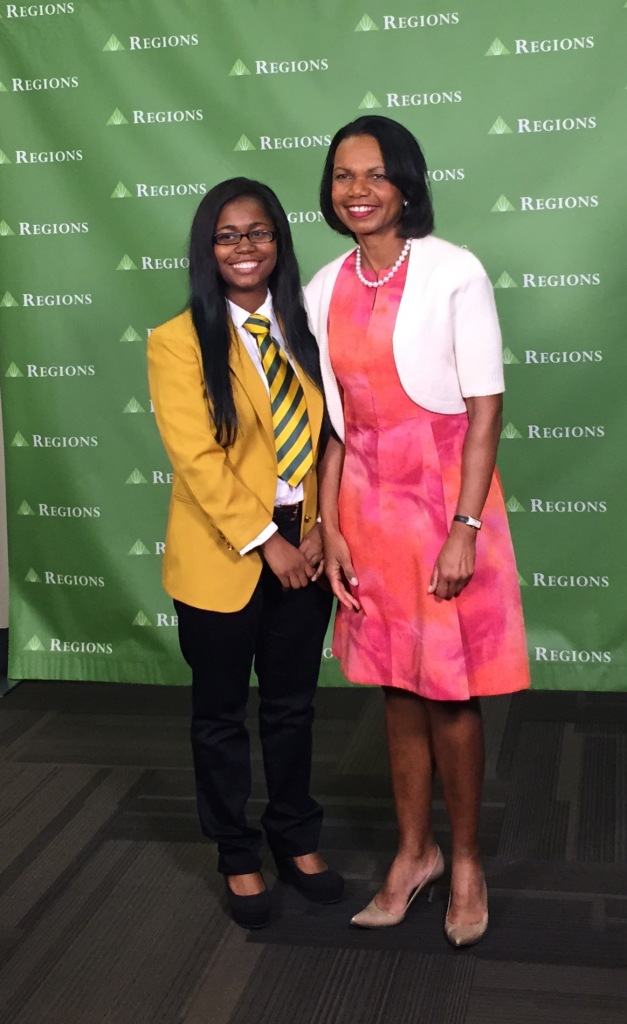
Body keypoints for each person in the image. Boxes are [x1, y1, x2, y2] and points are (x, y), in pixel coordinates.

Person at [305, 116, 530, 947]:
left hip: (442, 497)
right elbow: (331, 426)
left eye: (372, 175)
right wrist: (328, 527)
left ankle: (465, 860)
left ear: (405, 182)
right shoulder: (322, 284)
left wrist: (464, 525)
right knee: (396, 687)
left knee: (452, 690)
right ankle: (413, 854)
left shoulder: (452, 271)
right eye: (341, 178)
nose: (356, 191)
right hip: (365, 503)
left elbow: (484, 411)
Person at [148, 177, 343, 929]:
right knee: (221, 714)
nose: (244, 247)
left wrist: (320, 526)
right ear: (207, 249)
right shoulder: (176, 341)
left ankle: (295, 838)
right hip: (224, 557)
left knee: (293, 707)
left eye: (258, 232)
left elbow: (332, 439)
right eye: (227, 235)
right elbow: (197, 460)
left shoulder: (308, 328)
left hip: (311, 542)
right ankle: (235, 852)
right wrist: (270, 544)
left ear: (278, 243)